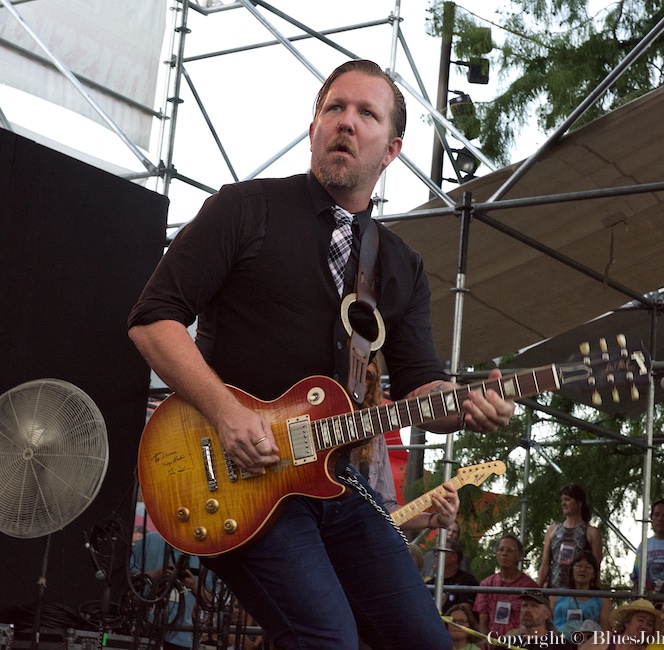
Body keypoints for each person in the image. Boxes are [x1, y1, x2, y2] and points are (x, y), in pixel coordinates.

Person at [127, 59, 516, 649]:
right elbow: (153, 320)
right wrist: (228, 416)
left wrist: (464, 406)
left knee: (425, 640)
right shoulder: (244, 208)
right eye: (334, 108)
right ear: (314, 128)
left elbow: (422, 387)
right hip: (235, 475)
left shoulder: (402, 266)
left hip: (334, 479)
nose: (346, 122)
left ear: (392, 150)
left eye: (366, 114)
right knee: (327, 640)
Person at [353, 358, 459, 532]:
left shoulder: (374, 436)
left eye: (368, 377)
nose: (359, 383)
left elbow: (387, 509)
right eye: (355, 374)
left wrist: (435, 519)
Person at [129, 531, 209, 650]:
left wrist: (193, 584)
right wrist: (153, 575)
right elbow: (125, 579)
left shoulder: (206, 554)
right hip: (141, 630)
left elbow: (212, 600)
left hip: (182, 637)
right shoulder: (151, 540)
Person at [538, 485, 603, 588]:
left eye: (567, 500)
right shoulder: (552, 530)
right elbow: (545, 565)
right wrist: (536, 590)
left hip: (579, 592)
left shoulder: (591, 532)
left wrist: (595, 591)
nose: (563, 503)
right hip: (554, 590)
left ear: (579, 503)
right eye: (562, 500)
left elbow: (596, 567)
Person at [474, 534, 539, 638]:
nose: (504, 553)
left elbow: (534, 621)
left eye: (509, 550)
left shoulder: (529, 586)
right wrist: (485, 639)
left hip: (519, 641)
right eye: (501, 550)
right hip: (491, 641)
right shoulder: (487, 584)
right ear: (496, 554)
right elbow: (482, 621)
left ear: (518, 556)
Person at [551, 550, 612, 638]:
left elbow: (606, 633)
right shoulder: (556, 595)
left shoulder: (603, 600)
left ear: (594, 574)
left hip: (588, 642)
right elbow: (546, 623)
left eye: (588, 567)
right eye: (579, 566)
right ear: (572, 570)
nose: (583, 570)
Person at [578, 598, 660, 650]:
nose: (644, 626)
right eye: (640, 620)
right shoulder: (605, 639)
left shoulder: (649, 648)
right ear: (627, 622)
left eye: (650, 624)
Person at [426, 539, 479, 608]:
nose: (436, 554)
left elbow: (464, 610)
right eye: (435, 552)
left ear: (454, 557)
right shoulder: (429, 584)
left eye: (441, 551)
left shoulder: (467, 581)